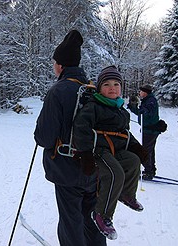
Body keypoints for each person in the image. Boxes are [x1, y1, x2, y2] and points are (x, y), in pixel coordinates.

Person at [34, 30, 106, 246]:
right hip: (93, 168)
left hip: (67, 169)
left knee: (70, 221)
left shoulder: (58, 90)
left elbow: (44, 138)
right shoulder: (94, 89)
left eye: (55, 62)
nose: (53, 66)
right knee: (92, 219)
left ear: (61, 65)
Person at [73, 65, 148, 240]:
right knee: (115, 173)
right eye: (107, 84)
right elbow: (81, 128)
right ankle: (102, 215)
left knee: (133, 161)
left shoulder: (121, 110)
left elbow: (125, 135)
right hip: (97, 149)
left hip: (116, 149)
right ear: (99, 88)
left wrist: (137, 148)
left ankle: (126, 194)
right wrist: (85, 154)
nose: (112, 88)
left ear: (121, 88)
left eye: (116, 84)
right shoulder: (94, 106)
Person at [127, 84, 160, 180]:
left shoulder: (151, 101)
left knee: (146, 150)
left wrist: (140, 109)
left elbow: (146, 112)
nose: (139, 93)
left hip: (151, 129)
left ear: (145, 92)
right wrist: (133, 107)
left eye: (141, 91)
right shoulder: (147, 100)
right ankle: (151, 169)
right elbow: (140, 113)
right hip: (148, 129)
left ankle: (148, 171)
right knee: (150, 150)